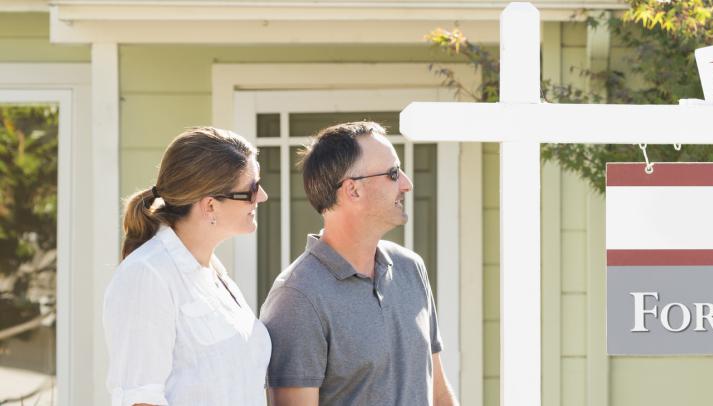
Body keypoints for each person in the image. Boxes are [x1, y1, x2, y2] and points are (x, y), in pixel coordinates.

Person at [261, 121, 457, 405]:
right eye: (393, 173)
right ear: (352, 190)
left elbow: (438, 392)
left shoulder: (410, 268)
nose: (407, 184)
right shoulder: (297, 297)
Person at [104, 127, 271, 405]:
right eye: (251, 189)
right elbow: (140, 399)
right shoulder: (147, 275)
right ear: (210, 206)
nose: (262, 196)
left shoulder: (215, 274)